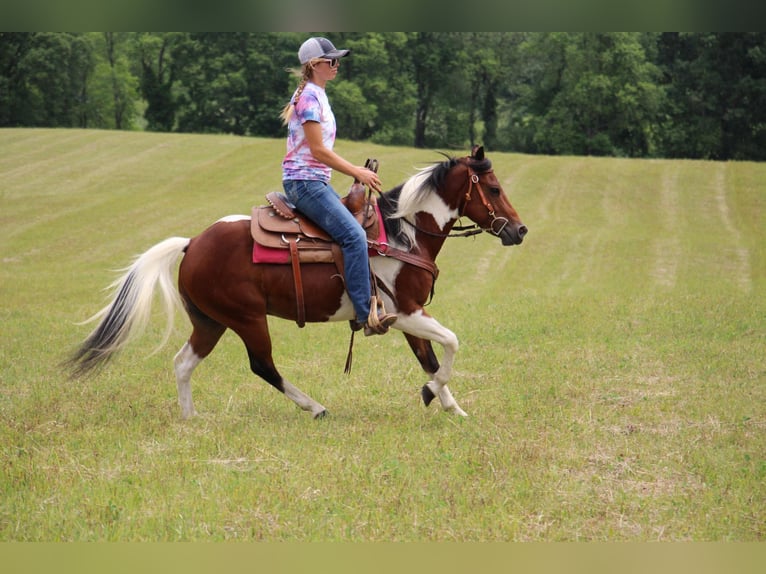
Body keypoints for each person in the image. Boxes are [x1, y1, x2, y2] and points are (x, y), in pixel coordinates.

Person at [280, 36, 397, 335]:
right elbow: (318, 151)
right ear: (314, 65)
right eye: (331, 61)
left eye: (337, 60)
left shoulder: (316, 93)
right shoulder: (308, 97)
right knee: (355, 236)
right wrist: (356, 170)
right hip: (305, 184)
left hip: (313, 181)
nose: (337, 65)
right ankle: (363, 314)